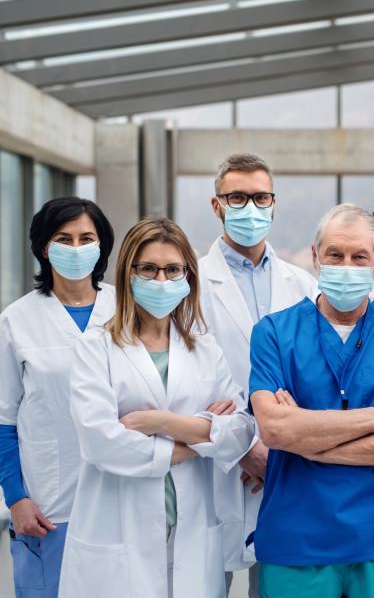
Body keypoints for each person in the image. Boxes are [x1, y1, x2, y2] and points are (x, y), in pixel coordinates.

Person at [249, 204, 374, 598]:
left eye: (359, 257)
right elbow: (275, 428)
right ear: (316, 256)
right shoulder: (273, 332)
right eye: (335, 255)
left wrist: (312, 441)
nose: (346, 265)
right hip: (298, 539)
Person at [58, 218, 254, 598]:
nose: (161, 280)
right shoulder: (96, 348)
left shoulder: (205, 348)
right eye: (148, 268)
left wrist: (159, 422)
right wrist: (200, 438)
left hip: (192, 530)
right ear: (128, 272)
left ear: (188, 277)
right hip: (118, 529)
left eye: (173, 269)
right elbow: (101, 441)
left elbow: (241, 432)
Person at [198, 153, 317, 596]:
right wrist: (244, 448)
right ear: (217, 206)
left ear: (274, 203)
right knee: (207, 580)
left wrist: (280, 445)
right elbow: (190, 382)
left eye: (260, 197)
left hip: (287, 463)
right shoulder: (191, 284)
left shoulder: (303, 284)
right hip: (218, 464)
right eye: (238, 198)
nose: (250, 208)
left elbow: (313, 376)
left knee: (278, 584)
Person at [0, 197, 115, 597]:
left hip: (119, 499)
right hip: (48, 507)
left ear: (102, 246)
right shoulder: (17, 320)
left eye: (87, 238)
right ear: (43, 247)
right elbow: (4, 420)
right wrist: (16, 498)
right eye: (63, 239)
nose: (76, 248)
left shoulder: (125, 311)